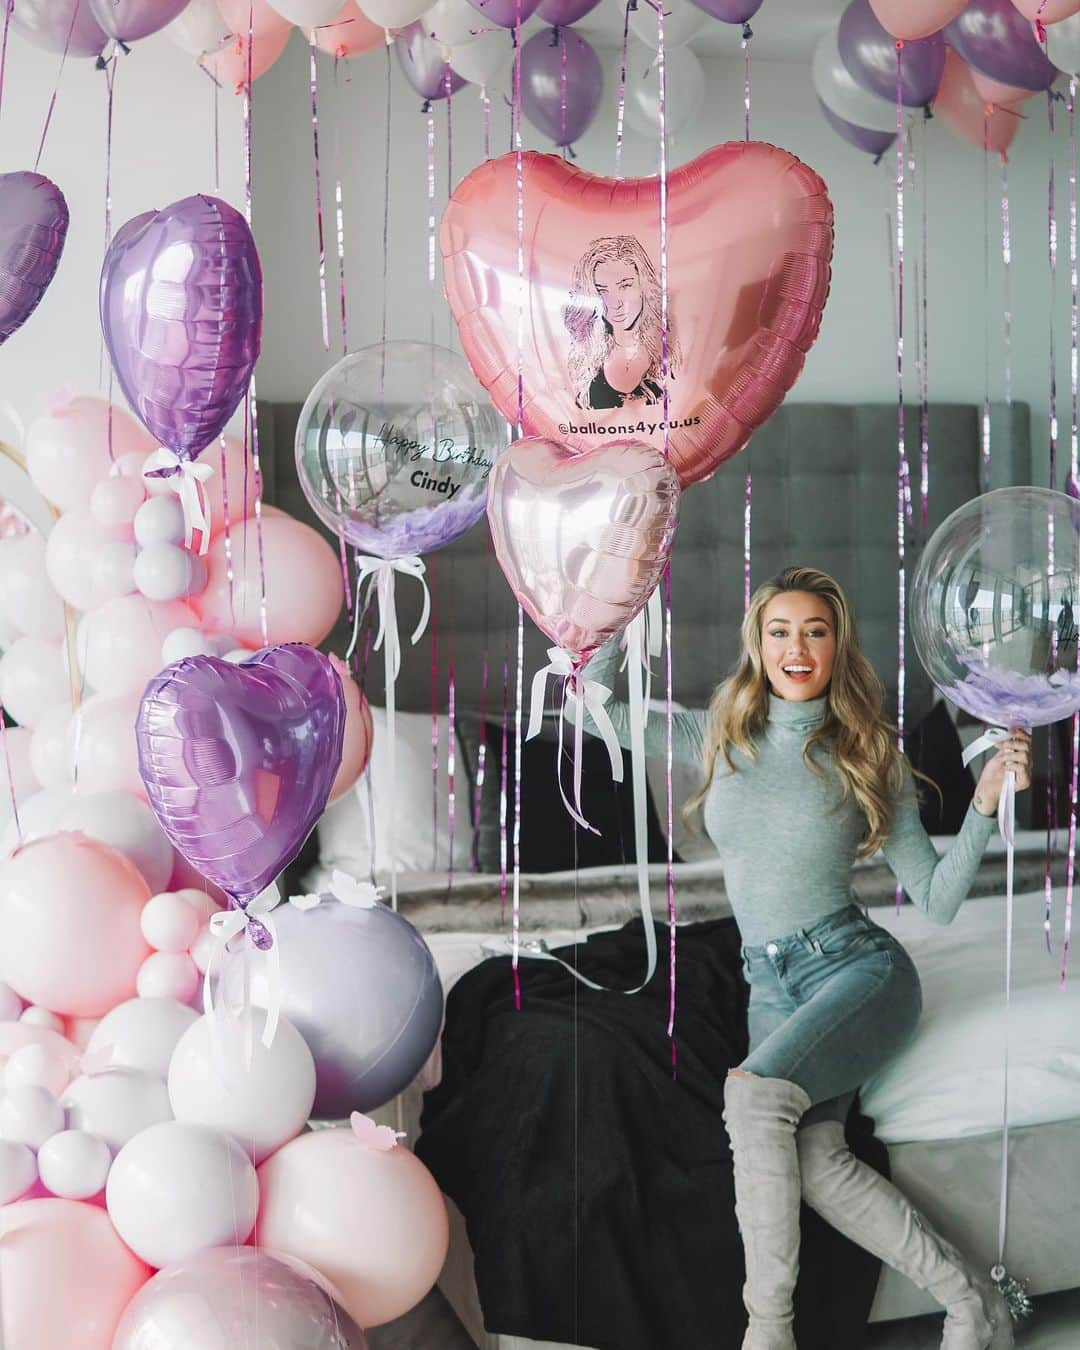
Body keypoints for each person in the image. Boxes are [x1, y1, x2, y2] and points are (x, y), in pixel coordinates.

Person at [582, 566, 1030, 1350]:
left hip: (859, 971)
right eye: (780, 631)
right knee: (817, 1161)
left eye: (814, 632)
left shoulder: (867, 752)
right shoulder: (716, 733)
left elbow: (937, 899)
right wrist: (623, 603)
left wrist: (985, 803)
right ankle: (970, 1304)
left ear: (836, 647)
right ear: (757, 645)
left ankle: (769, 1334)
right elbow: (594, 707)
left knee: (753, 1097)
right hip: (768, 983)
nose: (797, 647)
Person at [563, 235, 679, 411]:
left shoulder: (667, 351)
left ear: (644, 287)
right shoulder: (585, 359)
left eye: (625, 286)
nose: (615, 303)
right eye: (602, 291)